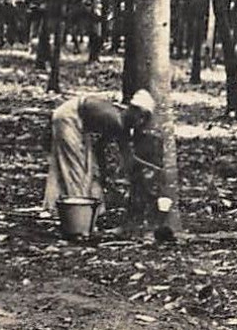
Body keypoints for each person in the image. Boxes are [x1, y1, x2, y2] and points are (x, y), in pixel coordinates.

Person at [44, 89, 155, 229]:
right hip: (69, 117)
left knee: (91, 169)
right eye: (141, 117)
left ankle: (92, 211)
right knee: (74, 169)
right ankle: (76, 219)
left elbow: (107, 150)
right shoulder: (116, 120)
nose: (141, 122)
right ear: (134, 111)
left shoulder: (121, 122)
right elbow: (115, 151)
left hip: (81, 123)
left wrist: (104, 174)